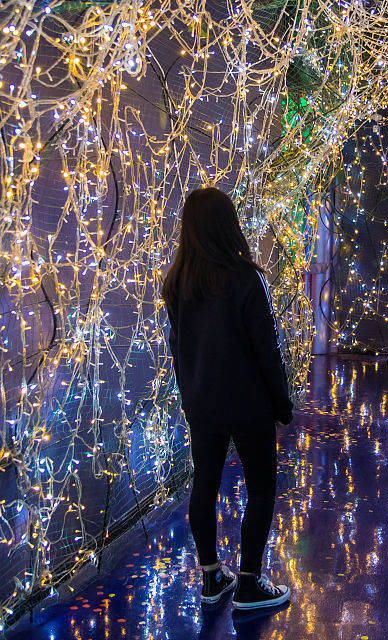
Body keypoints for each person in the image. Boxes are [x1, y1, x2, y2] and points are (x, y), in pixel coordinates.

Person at [162, 186, 294, 611]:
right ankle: (251, 583)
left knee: (204, 485)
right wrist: (282, 402)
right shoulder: (245, 277)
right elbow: (266, 348)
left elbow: (175, 345)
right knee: (261, 487)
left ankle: (211, 577)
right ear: (228, 225)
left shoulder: (178, 281)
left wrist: (189, 396)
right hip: (249, 405)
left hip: (203, 406)